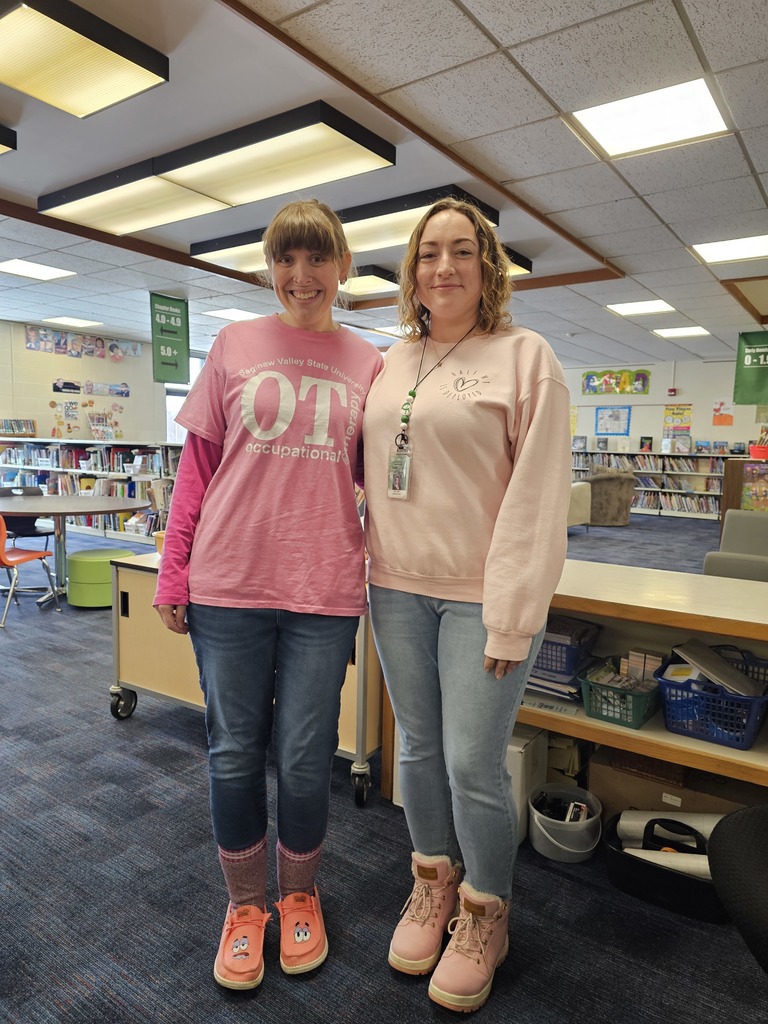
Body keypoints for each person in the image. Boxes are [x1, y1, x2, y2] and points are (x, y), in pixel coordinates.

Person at [154, 199, 383, 992]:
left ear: (343, 266)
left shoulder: (369, 364)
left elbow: (382, 483)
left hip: (324, 589)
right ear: (270, 268)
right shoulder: (234, 345)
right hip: (230, 584)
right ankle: (246, 906)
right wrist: (174, 570)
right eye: (286, 259)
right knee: (233, 751)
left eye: (317, 258)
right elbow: (196, 471)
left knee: (307, 756)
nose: (301, 275)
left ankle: (299, 895)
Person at [362, 197, 571, 1013]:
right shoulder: (389, 360)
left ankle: (486, 914)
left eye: (461, 251)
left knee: (471, 764)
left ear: (487, 267)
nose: (443, 266)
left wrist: (513, 614)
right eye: (427, 253)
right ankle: (432, 884)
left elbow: (538, 498)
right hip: (394, 586)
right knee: (416, 749)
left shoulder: (526, 357)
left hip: (482, 598)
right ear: (411, 271)